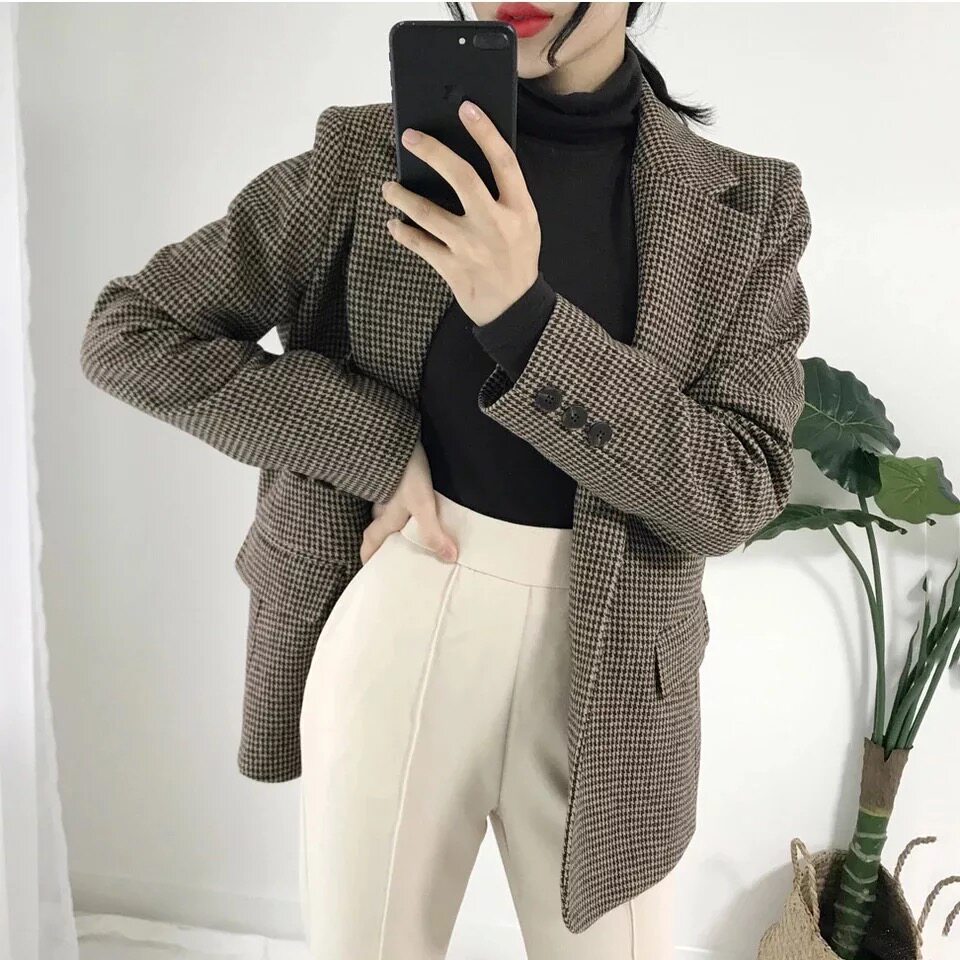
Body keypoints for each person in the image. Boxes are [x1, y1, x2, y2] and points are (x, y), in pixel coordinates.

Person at [80, 2, 812, 957]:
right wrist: (370, 441)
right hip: (406, 612)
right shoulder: (367, 164)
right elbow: (130, 331)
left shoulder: (748, 209)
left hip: (622, 673)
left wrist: (523, 318)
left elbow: (737, 491)